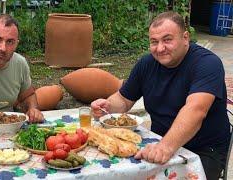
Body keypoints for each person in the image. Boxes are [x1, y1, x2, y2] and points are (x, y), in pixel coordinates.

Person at [91, 11, 231, 179]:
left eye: (167, 40)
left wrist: (165, 147)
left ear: (185, 38)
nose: (160, 48)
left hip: (204, 150)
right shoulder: (147, 64)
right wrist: (107, 106)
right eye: (154, 42)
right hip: (158, 142)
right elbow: (123, 99)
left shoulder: (207, 63)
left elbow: (196, 110)